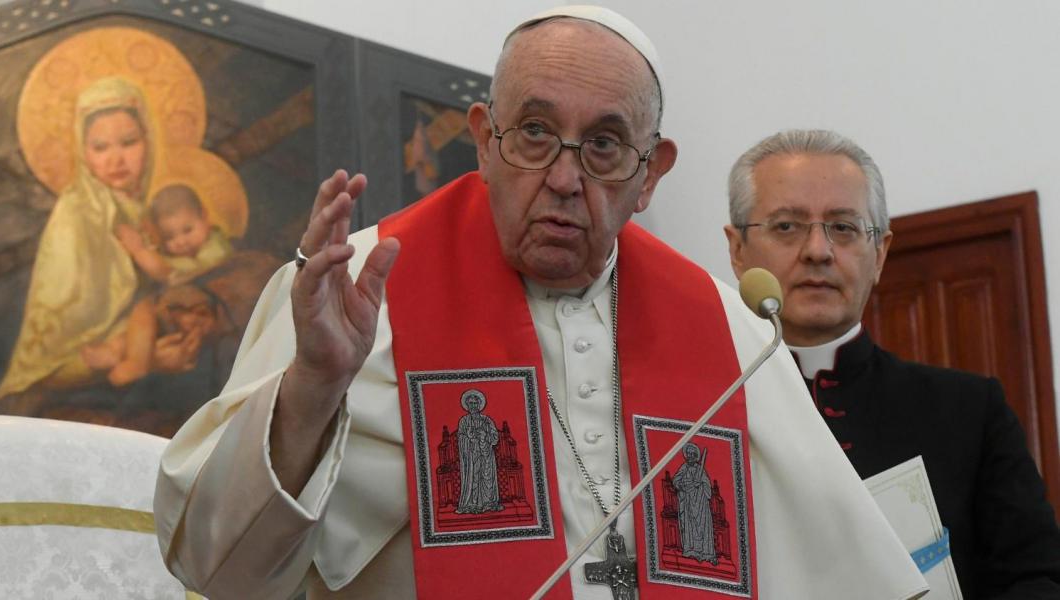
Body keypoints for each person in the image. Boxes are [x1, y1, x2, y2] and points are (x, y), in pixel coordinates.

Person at [154, 8, 927, 599]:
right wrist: (314, 388)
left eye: (603, 144)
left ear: (651, 172)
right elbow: (216, 566)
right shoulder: (356, 289)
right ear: (484, 139)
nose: (563, 176)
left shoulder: (722, 326)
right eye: (533, 132)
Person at [724, 128, 1060, 599]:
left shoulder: (968, 410)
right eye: (786, 226)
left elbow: (1036, 579)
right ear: (738, 250)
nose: (818, 251)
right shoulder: (702, 414)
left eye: (843, 227)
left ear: (880, 254)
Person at [0, 77, 156, 399]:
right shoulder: (77, 213)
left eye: (129, 142)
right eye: (100, 147)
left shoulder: (151, 208)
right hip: (69, 356)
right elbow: (71, 307)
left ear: (149, 142)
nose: (115, 159)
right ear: (82, 152)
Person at [83, 184, 232, 385]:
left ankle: (136, 363)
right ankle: (116, 350)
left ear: (205, 217)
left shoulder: (216, 245)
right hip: (177, 311)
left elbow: (171, 274)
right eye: (170, 237)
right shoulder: (182, 253)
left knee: (144, 310)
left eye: (187, 230)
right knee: (140, 326)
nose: (181, 242)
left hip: (201, 311)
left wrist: (139, 251)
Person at [672, 444, 716, 564]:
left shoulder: (700, 469)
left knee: (701, 527)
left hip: (700, 504)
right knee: (689, 526)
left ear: (696, 456)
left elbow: (707, 486)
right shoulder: (684, 468)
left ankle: (703, 552)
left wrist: (700, 484)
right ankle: (691, 550)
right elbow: (676, 480)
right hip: (687, 503)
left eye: (693, 454)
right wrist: (681, 485)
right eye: (689, 454)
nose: (690, 456)